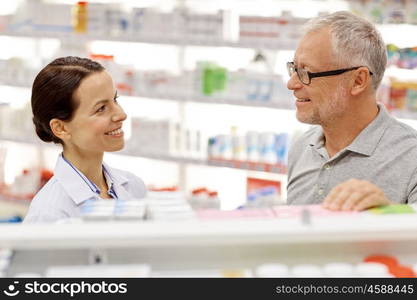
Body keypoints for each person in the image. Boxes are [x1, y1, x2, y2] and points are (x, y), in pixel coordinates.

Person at [286, 11, 417, 211]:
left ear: (358, 81)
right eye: (294, 69)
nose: (291, 83)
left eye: (306, 72)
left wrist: (388, 216)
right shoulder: (302, 147)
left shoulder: (411, 156)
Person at [24, 56, 146, 223]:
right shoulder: (48, 214)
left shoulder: (134, 187)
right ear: (61, 128)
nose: (121, 114)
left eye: (115, 99)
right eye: (101, 108)